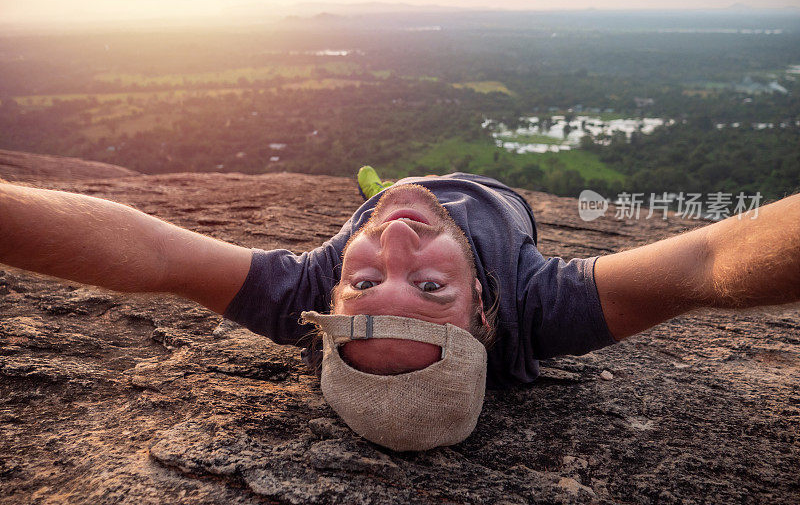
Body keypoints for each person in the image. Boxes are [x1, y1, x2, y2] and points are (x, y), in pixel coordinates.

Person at [1, 168, 798, 451]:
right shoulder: (537, 310)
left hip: (389, 176)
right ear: (485, 309)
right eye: (429, 290)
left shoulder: (303, 299)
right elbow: (709, 263)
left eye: (362, 285)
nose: (395, 248)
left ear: (331, 306)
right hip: (490, 193)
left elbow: (154, 255)